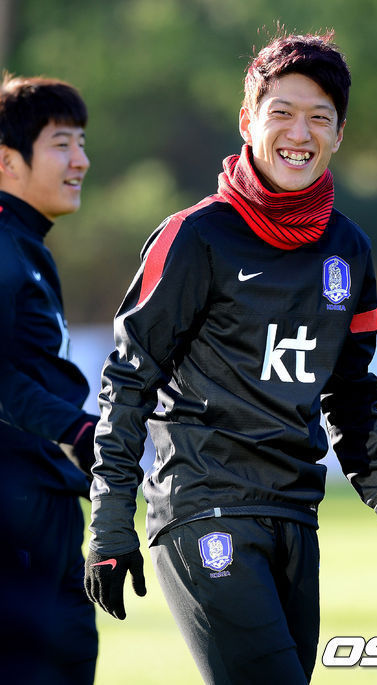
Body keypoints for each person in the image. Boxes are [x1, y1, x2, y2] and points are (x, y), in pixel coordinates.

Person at [85, 31, 377, 684]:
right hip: (203, 510)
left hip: (294, 516)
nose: (299, 133)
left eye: (319, 118)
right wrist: (110, 525)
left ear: (339, 135)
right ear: (249, 121)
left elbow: (351, 400)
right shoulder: (195, 236)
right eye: (282, 112)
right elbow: (127, 382)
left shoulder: (349, 251)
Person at [0, 74, 98, 684]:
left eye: (81, 143)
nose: (80, 160)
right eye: (62, 144)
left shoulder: (25, 244)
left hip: (44, 512)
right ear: (7, 161)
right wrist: (76, 429)